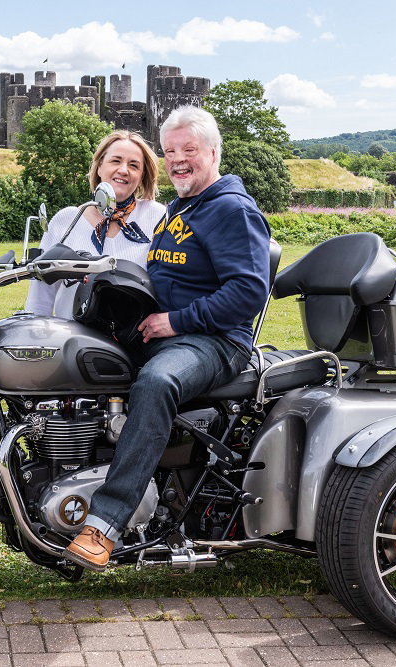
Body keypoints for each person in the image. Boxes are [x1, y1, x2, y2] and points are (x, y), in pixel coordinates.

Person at [63, 106, 272, 571]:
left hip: (215, 341)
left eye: (189, 150)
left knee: (157, 382)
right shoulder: (182, 208)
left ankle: (105, 523)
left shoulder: (231, 209)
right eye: (171, 151)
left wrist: (175, 321)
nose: (178, 160)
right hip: (167, 333)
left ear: (213, 153)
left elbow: (249, 290)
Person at [24, 130, 165, 319]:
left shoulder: (158, 216)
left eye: (134, 165)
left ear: (141, 176)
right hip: (71, 341)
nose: (123, 170)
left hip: (136, 342)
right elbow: (40, 294)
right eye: (115, 161)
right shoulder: (66, 221)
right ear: (99, 167)